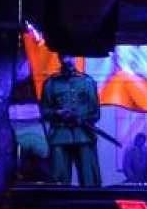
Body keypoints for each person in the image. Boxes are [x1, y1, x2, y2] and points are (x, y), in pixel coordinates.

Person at [39, 57, 101, 187]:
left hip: (84, 136)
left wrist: (83, 119)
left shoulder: (87, 82)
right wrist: (57, 113)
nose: (69, 60)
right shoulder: (50, 83)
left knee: (89, 181)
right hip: (60, 136)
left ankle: (90, 200)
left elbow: (95, 113)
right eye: (65, 56)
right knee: (58, 181)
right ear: (60, 58)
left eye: (72, 56)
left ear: (76, 58)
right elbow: (44, 112)